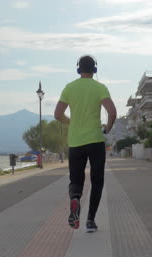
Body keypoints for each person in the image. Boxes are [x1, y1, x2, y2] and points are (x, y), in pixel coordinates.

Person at [54, 55, 117, 233]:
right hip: (96, 140)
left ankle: (75, 198)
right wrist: (108, 128)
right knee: (97, 181)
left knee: (76, 179)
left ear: (78, 69)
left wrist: (71, 122)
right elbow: (112, 112)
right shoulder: (100, 88)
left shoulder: (69, 88)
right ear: (94, 70)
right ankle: (90, 220)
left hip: (75, 142)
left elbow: (58, 114)